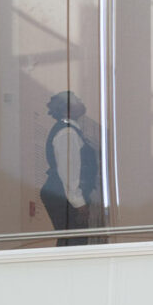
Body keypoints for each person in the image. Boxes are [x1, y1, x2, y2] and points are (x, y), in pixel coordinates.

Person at [41, 89, 104, 245]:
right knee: (73, 241)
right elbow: (69, 171)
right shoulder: (67, 133)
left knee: (72, 240)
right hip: (65, 195)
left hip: (64, 194)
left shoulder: (71, 130)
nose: (81, 102)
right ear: (66, 109)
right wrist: (79, 204)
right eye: (77, 100)